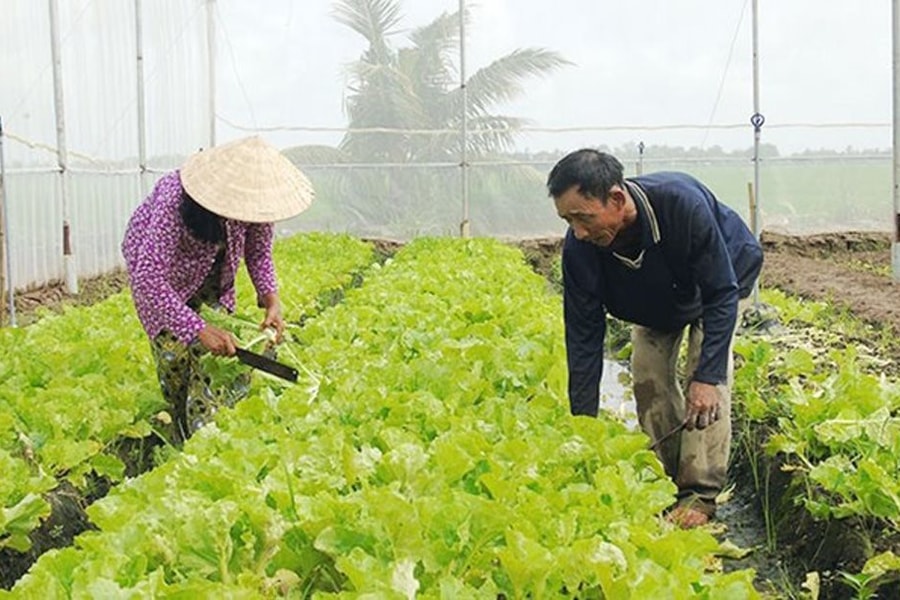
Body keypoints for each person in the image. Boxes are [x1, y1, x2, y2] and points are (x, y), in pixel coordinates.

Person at [546, 148, 763, 528]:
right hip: (655, 297)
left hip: (720, 280)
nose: (578, 231)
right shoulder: (580, 247)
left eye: (583, 217)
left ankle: (700, 493)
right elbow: (583, 338)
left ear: (616, 199)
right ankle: (669, 479)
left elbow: (720, 292)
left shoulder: (681, 206)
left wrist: (707, 378)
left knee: (705, 377)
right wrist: (584, 429)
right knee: (647, 372)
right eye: (568, 220)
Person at [122, 135, 315, 444]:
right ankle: (180, 429)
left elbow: (258, 252)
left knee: (217, 364)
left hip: (215, 275)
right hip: (166, 280)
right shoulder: (175, 198)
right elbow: (149, 278)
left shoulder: (258, 202)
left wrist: (271, 298)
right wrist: (198, 328)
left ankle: (205, 442)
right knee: (175, 364)